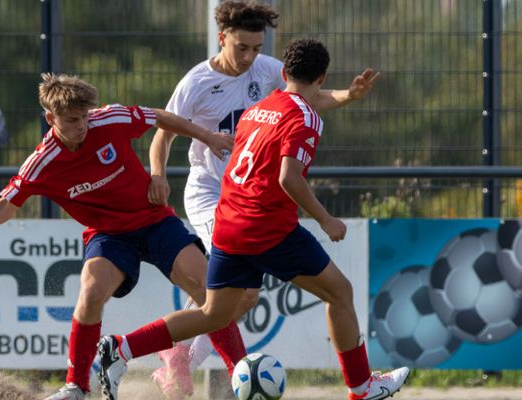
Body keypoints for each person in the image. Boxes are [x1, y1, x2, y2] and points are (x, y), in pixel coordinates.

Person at [96, 39, 409, 400]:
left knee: (214, 314)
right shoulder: (306, 118)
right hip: (267, 228)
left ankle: (120, 349)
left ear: (284, 73)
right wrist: (325, 220)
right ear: (322, 76)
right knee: (340, 293)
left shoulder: (259, 109)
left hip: (229, 223)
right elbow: (288, 178)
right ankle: (361, 387)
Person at [0, 73, 246, 400]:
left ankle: (241, 376)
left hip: (153, 219)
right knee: (91, 291)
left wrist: (206, 137)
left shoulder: (108, 119)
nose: (83, 125)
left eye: (85, 117)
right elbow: (5, 206)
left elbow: (159, 117)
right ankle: (76, 387)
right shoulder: (43, 162)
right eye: (73, 120)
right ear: (51, 119)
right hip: (109, 236)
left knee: (212, 294)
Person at [147, 1, 380, 398]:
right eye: (242, 48)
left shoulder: (266, 69)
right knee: (238, 294)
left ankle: (177, 353)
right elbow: (163, 133)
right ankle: (191, 360)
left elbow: (307, 97)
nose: (250, 57)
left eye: (257, 48)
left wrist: (347, 96)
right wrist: (156, 174)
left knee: (235, 300)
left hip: (250, 198)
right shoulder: (196, 82)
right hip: (210, 195)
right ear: (222, 39)